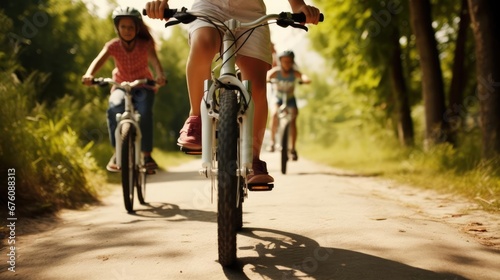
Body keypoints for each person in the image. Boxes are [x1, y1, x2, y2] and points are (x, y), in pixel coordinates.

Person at [144, 0, 320, 184]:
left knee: (257, 86)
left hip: (252, 14)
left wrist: (298, 7)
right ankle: (196, 118)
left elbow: (297, 5)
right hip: (209, 7)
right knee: (203, 44)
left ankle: (253, 159)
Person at [82, 6, 166, 173]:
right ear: (117, 28)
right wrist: (89, 74)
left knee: (144, 111)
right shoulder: (113, 46)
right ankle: (117, 153)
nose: (127, 31)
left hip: (142, 85)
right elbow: (99, 61)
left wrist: (160, 75)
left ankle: (147, 155)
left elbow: (155, 63)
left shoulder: (145, 45)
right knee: (114, 108)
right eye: (123, 27)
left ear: (137, 28)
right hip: (120, 85)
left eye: (131, 27)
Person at [267, 50, 311, 160]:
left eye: (289, 62)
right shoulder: (276, 72)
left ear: (292, 62)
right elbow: (267, 75)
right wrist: (268, 80)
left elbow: (304, 76)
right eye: (284, 61)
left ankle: (293, 149)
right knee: (274, 115)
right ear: (280, 62)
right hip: (278, 99)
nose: (287, 64)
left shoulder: (294, 73)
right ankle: (272, 142)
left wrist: (305, 80)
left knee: (293, 120)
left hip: (291, 99)